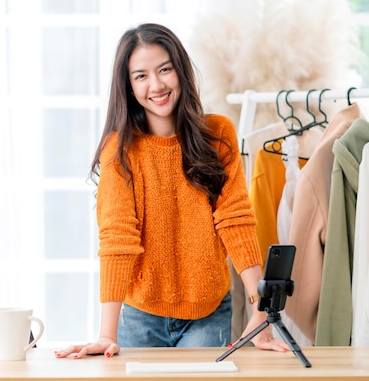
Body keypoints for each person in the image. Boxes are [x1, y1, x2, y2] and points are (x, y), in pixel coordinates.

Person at [55, 23, 289, 359]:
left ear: (180, 70)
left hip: (207, 313)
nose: (157, 85)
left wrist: (260, 309)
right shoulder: (119, 151)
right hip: (140, 317)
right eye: (141, 76)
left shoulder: (218, 134)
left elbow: (235, 220)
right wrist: (107, 334)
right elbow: (117, 239)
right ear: (129, 86)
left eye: (165, 69)